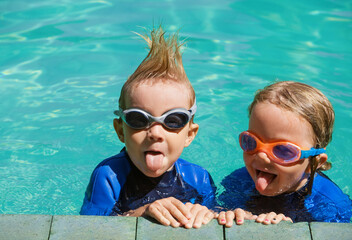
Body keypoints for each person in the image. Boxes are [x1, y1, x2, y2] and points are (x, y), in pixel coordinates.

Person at [80, 26, 217, 228]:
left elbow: (220, 216)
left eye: (173, 120)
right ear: (120, 130)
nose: (154, 133)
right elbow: (89, 228)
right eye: (138, 119)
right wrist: (141, 213)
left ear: (190, 134)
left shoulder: (199, 178)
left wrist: (208, 214)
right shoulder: (109, 176)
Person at [218, 81, 352, 225]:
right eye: (251, 142)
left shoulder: (332, 205)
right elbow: (219, 211)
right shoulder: (238, 180)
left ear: (314, 162)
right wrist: (234, 214)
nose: (261, 156)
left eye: (283, 150)